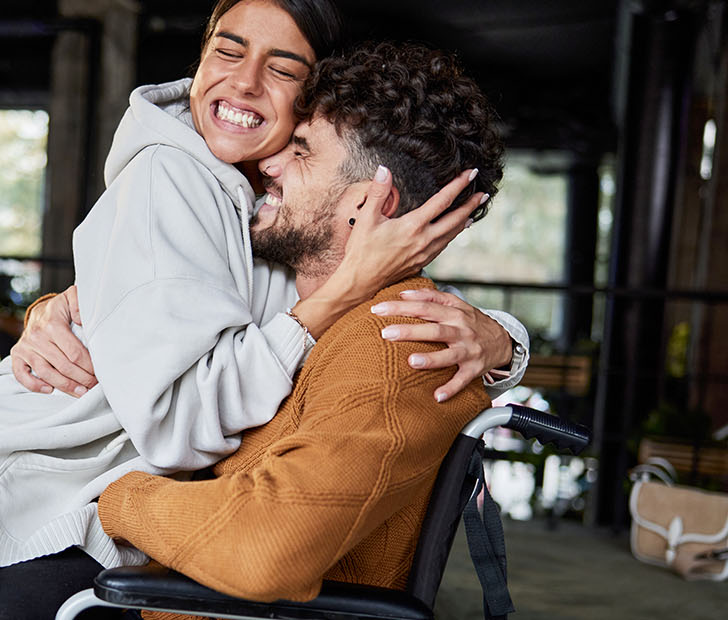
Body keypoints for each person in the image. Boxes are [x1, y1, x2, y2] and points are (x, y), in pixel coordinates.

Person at [0, 1, 520, 618]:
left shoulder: (359, 309)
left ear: (368, 200)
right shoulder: (214, 206)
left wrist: (499, 338)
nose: (251, 99)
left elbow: (267, 512)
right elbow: (181, 361)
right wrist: (70, 307)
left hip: (114, 523)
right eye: (226, 50)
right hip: (9, 466)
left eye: (287, 85)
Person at [98, 39, 505, 609]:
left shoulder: (400, 347)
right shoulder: (300, 298)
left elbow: (262, 551)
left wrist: (121, 499)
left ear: (368, 205)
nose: (268, 164)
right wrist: (59, 307)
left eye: (303, 151)